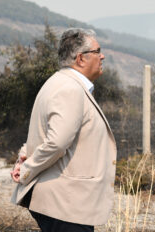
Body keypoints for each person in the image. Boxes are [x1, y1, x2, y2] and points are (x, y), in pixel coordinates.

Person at [10, 28, 117, 232]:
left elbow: (43, 134)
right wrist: (26, 170)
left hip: (66, 204)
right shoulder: (70, 89)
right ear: (81, 58)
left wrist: (24, 157)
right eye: (97, 51)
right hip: (66, 204)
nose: (102, 56)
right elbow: (56, 143)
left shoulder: (58, 83)